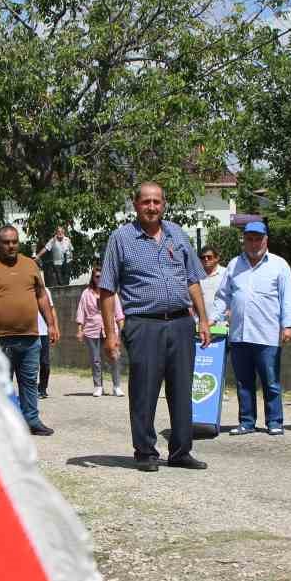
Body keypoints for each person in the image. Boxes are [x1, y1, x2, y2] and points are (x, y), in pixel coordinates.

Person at [100, 182, 211, 473]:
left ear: (164, 204)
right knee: (144, 391)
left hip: (181, 323)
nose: (152, 207)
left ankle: (181, 451)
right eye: (146, 202)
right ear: (135, 205)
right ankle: (145, 451)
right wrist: (111, 334)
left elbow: (193, 281)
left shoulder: (178, 234)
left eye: (157, 202)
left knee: (182, 389)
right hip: (143, 325)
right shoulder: (121, 238)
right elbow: (107, 290)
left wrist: (203, 320)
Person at [0, 225, 57, 436]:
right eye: (6, 242)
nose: (11, 246)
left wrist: (51, 323)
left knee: (28, 381)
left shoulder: (30, 265)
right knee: (0, 383)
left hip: (30, 337)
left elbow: (41, 295)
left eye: (14, 242)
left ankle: (32, 420)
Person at [213, 221, 291, 436]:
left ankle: (275, 421)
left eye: (257, 238)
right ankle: (247, 422)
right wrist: (212, 319)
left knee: (271, 382)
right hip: (239, 334)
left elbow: (287, 297)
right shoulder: (234, 264)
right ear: (244, 241)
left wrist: (288, 325)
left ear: (266, 240)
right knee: (243, 383)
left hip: (267, 334)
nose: (253, 243)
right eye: (249, 239)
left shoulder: (279, 265)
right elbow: (223, 296)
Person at [76, 264, 125, 397]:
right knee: (95, 359)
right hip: (92, 330)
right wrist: (80, 330)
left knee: (114, 357)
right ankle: (98, 386)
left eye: (102, 276)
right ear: (93, 278)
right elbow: (81, 312)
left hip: (110, 329)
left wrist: (120, 332)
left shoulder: (111, 292)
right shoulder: (86, 294)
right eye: (97, 276)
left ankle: (117, 386)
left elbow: (119, 314)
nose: (100, 279)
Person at [197, 246, 225, 325]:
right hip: (201, 324)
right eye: (203, 257)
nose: (206, 259)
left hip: (222, 324)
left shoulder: (225, 274)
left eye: (209, 257)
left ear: (217, 258)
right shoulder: (196, 276)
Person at [35, 288, 55, 399]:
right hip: (29, 331)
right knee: (32, 364)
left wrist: (54, 327)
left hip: (43, 331)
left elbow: (52, 310)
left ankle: (43, 388)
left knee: (45, 363)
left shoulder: (45, 291)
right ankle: (33, 389)